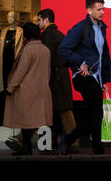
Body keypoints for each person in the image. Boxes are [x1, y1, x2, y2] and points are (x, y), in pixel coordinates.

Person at [57, 0, 111, 155]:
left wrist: (105, 79)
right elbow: (64, 48)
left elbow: (104, 55)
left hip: (96, 78)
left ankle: (67, 140)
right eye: (99, 9)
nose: (102, 12)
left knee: (94, 113)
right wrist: (80, 62)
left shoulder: (102, 28)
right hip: (83, 77)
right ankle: (97, 149)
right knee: (96, 111)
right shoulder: (81, 28)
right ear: (89, 10)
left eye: (103, 9)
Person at [3, 23, 53, 156]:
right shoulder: (45, 49)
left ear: (26, 34)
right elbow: (48, 71)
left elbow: (20, 71)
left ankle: (26, 148)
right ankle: (43, 147)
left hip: (27, 90)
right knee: (40, 120)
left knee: (26, 122)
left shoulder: (27, 50)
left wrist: (10, 88)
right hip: (41, 89)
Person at [37, 8, 78, 152]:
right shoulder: (61, 35)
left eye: (39, 20)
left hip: (53, 78)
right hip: (63, 76)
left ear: (46, 20)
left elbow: (46, 59)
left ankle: (37, 143)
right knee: (65, 111)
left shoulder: (46, 36)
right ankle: (73, 142)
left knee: (45, 111)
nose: (38, 23)